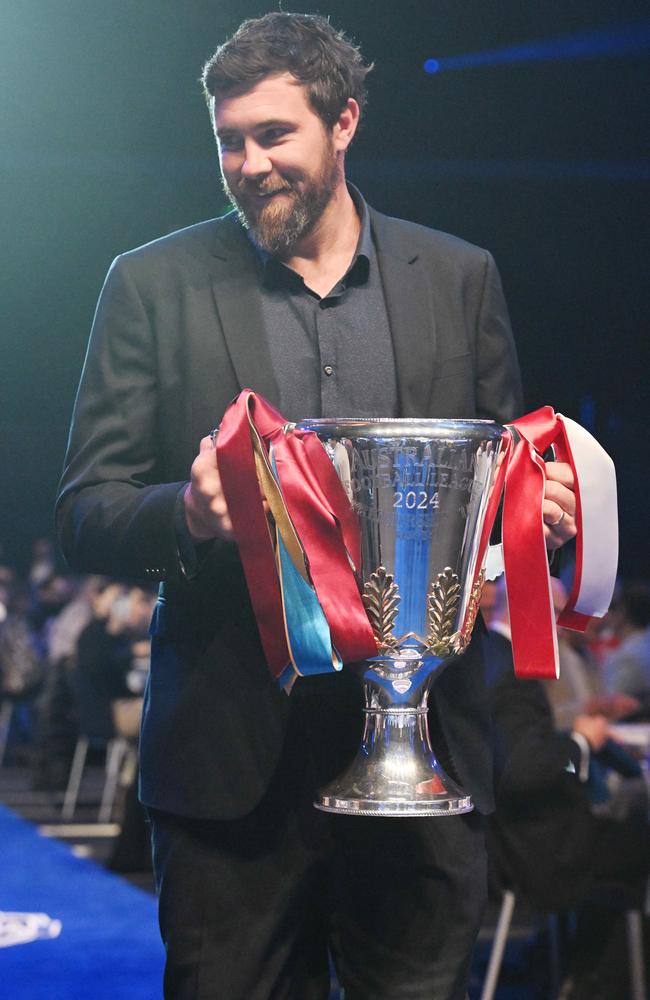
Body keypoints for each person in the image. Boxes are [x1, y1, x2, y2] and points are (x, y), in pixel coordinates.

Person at [55, 13, 576, 999]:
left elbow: (495, 506)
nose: (248, 164)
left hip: (423, 766)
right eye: (228, 141)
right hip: (232, 783)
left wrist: (532, 523)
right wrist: (190, 510)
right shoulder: (148, 284)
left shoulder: (459, 279)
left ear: (343, 123)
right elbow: (86, 506)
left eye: (273, 135)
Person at [483, 580, 649, 1000]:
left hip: (523, 835)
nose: (564, 625)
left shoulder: (495, 658)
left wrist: (576, 742)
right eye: (559, 612)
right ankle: (604, 981)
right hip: (537, 849)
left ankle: (589, 969)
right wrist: (579, 744)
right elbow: (523, 773)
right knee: (638, 843)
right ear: (532, 609)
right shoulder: (510, 671)